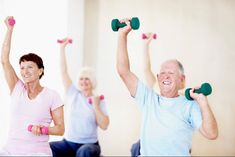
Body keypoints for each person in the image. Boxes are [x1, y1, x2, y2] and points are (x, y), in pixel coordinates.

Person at [116, 18, 218, 156]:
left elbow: (211, 134)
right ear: (158, 78)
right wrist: (122, 35)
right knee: (136, 148)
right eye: (162, 73)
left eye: (171, 73)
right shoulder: (148, 98)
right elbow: (123, 71)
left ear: (182, 80)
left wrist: (203, 102)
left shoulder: (189, 105)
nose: (165, 76)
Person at [0, 16, 64, 156]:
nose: (25, 72)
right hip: (10, 150)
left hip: (37, 152)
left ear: (40, 70)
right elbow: (4, 60)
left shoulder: (52, 95)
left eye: (29, 67)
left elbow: (60, 129)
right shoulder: (17, 88)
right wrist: (10, 29)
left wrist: (44, 130)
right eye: (22, 68)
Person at [49, 38, 110, 157]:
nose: (84, 81)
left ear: (92, 81)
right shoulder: (73, 93)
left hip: (89, 144)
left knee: (84, 152)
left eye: (87, 78)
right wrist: (62, 48)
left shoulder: (98, 100)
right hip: (68, 142)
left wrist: (96, 106)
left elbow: (104, 126)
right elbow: (64, 71)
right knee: (49, 148)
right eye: (81, 78)